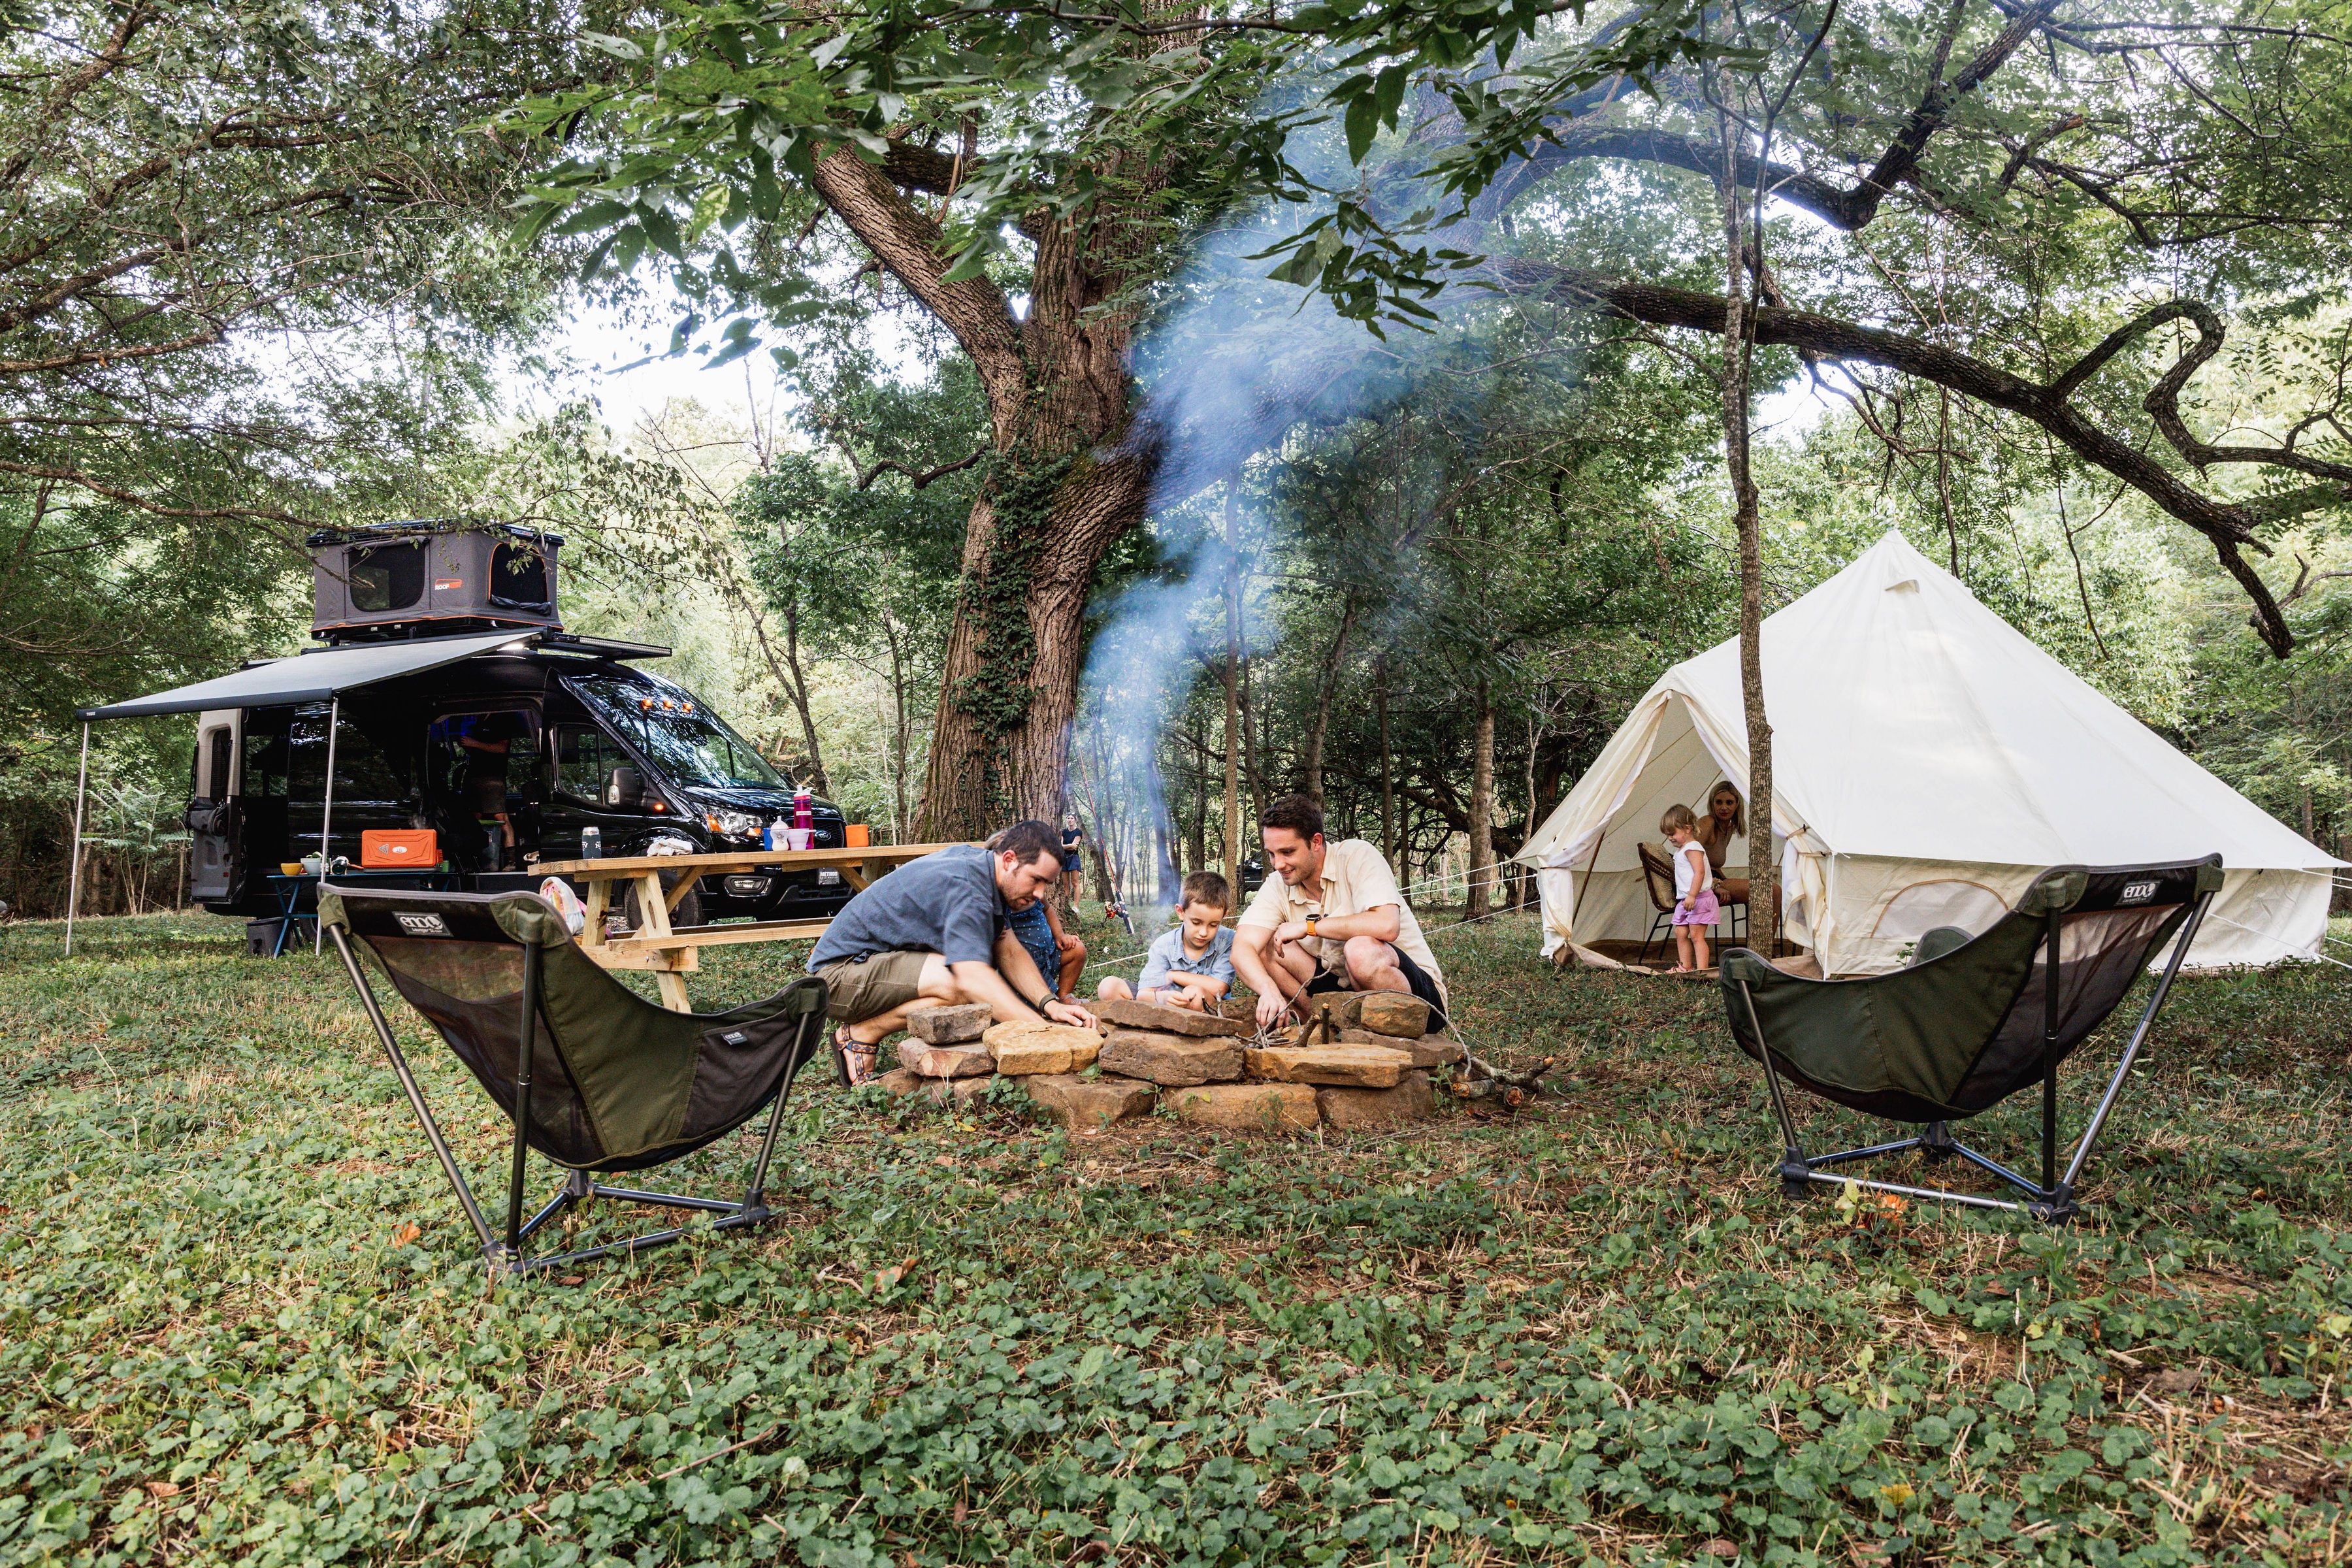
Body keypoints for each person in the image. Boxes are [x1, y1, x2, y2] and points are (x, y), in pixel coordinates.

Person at [806, 819, 1096, 1084]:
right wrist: (1041, 1030)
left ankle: (862, 1031)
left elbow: (1008, 950)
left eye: (1046, 884)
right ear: (1009, 860)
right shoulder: (968, 887)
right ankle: (860, 1034)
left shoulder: (984, 870)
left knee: (966, 978)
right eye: (1037, 880)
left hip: (867, 967)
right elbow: (971, 976)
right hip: (838, 977)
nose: (1040, 895)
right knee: (958, 981)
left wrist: (1049, 1004)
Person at [1231, 794, 1447, 1030]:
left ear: (1315, 842)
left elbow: (1387, 925)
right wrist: (1268, 989)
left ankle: (1401, 1035)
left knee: (1360, 951)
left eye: (1288, 852)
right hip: (1343, 986)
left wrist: (1309, 927)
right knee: (1267, 947)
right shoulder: (1277, 884)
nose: (1277, 864)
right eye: (1272, 854)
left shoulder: (1357, 856)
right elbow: (1242, 949)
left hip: (1418, 994)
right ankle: (1322, 1028)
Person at [1097, 870, 1235, 1012]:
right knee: (1108, 987)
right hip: (1163, 997)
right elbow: (1144, 993)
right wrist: (1162, 998)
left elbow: (1220, 988)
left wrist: (1173, 975)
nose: (1204, 932)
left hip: (1206, 1002)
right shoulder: (1164, 945)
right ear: (1181, 912)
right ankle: (1154, 1022)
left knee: (1194, 994)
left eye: (1213, 925)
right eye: (1196, 922)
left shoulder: (1228, 940)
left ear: (1224, 916)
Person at [997, 828, 1088, 1001]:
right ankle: (1038, 1003)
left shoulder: (1035, 894)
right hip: (1023, 965)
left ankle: (1064, 995)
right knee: (1030, 1008)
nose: (1039, 891)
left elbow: (1048, 910)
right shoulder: (1004, 901)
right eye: (1035, 880)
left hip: (1049, 954)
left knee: (1078, 950)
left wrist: (1060, 935)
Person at [1662, 803, 1716, 972]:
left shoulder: (1693, 848)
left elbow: (1699, 873)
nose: (1670, 838)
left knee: (1696, 936)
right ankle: (1686, 967)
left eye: (1672, 834)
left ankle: (1702, 971)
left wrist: (1692, 895)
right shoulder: (1682, 850)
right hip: (1686, 900)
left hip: (1698, 899)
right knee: (1680, 933)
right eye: (1667, 835)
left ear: (1687, 828)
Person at [1695, 781, 1751, 903]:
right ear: (1712, 804)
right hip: (1702, 882)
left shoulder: (1729, 828)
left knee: (1771, 891)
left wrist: (1727, 881)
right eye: (1719, 802)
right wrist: (1713, 886)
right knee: (1772, 891)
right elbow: (1688, 857)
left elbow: (1714, 865)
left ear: (1737, 805)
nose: (1724, 808)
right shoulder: (1708, 822)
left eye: (1729, 802)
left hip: (1716, 879)